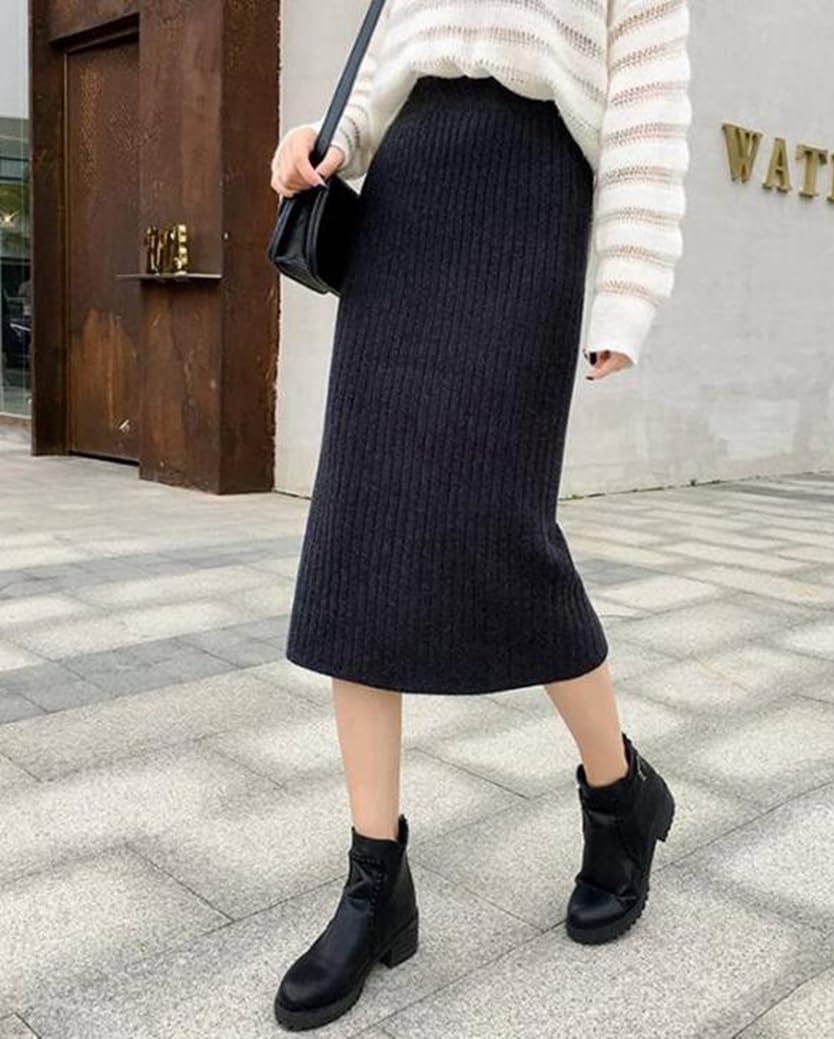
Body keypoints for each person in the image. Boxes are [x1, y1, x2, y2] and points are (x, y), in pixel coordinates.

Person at [268, 0, 691, 1029]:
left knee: (504, 530)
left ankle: (619, 795)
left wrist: (627, 290)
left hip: (532, 198)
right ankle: (375, 882)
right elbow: (391, 60)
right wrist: (328, 138)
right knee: (360, 528)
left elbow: (647, 108)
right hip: (406, 199)